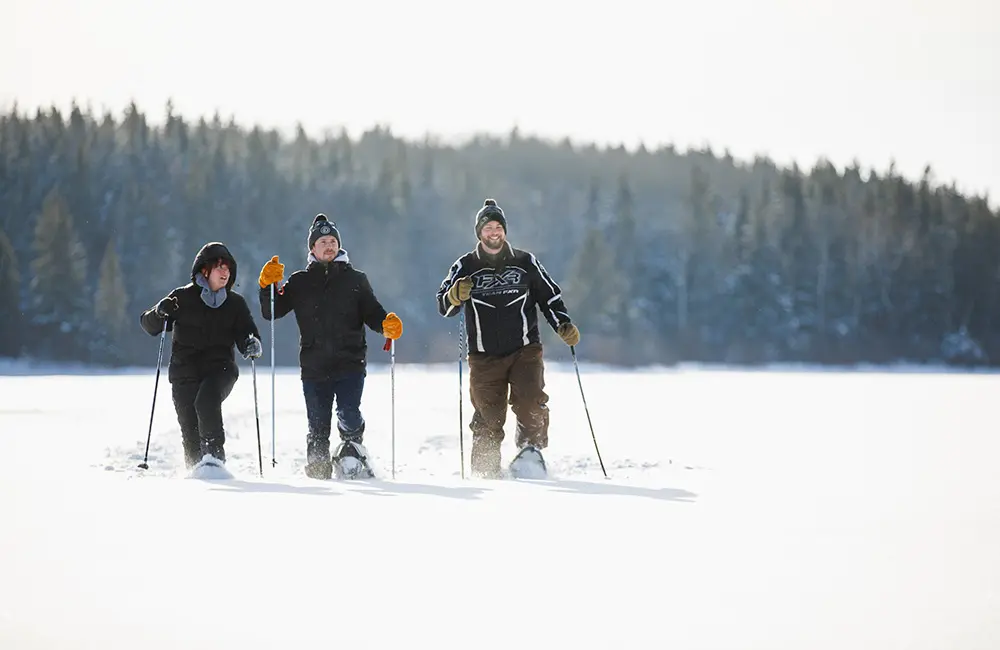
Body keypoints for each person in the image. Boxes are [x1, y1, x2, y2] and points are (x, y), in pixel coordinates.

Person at [436, 198, 580, 479]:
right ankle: (485, 469)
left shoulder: (525, 262)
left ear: (504, 230)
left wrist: (562, 324)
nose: (494, 232)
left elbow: (549, 296)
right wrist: (454, 295)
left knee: (530, 402)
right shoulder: (465, 265)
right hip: (483, 355)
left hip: (525, 349)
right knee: (487, 416)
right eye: (488, 227)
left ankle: (530, 452)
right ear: (479, 232)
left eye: (498, 227)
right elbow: (444, 305)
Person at [258, 213, 403, 480]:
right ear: (312, 248)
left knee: (349, 413)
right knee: (317, 424)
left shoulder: (356, 279)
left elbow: (373, 312)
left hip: (350, 362)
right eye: (323, 242)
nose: (329, 246)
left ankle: (353, 449)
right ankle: (318, 469)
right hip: (314, 367)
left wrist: (386, 324)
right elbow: (272, 312)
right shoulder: (299, 281)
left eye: (333, 241)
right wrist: (266, 286)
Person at [139, 242, 263, 472]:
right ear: (204, 270)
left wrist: (251, 343)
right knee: (191, 433)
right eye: (219, 267)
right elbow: (149, 325)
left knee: (206, 401)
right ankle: (197, 475)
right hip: (184, 373)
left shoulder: (235, 303)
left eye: (228, 268)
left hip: (220, 370)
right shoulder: (181, 298)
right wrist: (159, 313)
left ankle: (215, 460)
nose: (225, 272)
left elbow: (247, 333)